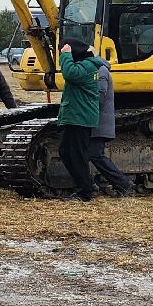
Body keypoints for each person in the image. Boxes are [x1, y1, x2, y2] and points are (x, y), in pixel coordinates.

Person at [57, 39, 100, 202]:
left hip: (80, 117)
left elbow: (69, 73)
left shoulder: (87, 66)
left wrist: (66, 55)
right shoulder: (87, 65)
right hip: (76, 116)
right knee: (66, 152)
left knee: (77, 154)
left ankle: (84, 192)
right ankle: (85, 184)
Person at [90, 52, 134, 197]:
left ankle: (122, 183)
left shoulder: (100, 71)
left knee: (96, 154)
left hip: (99, 122)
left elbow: (99, 96)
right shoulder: (99, 69)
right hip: (98, 121)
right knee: (90, 154)